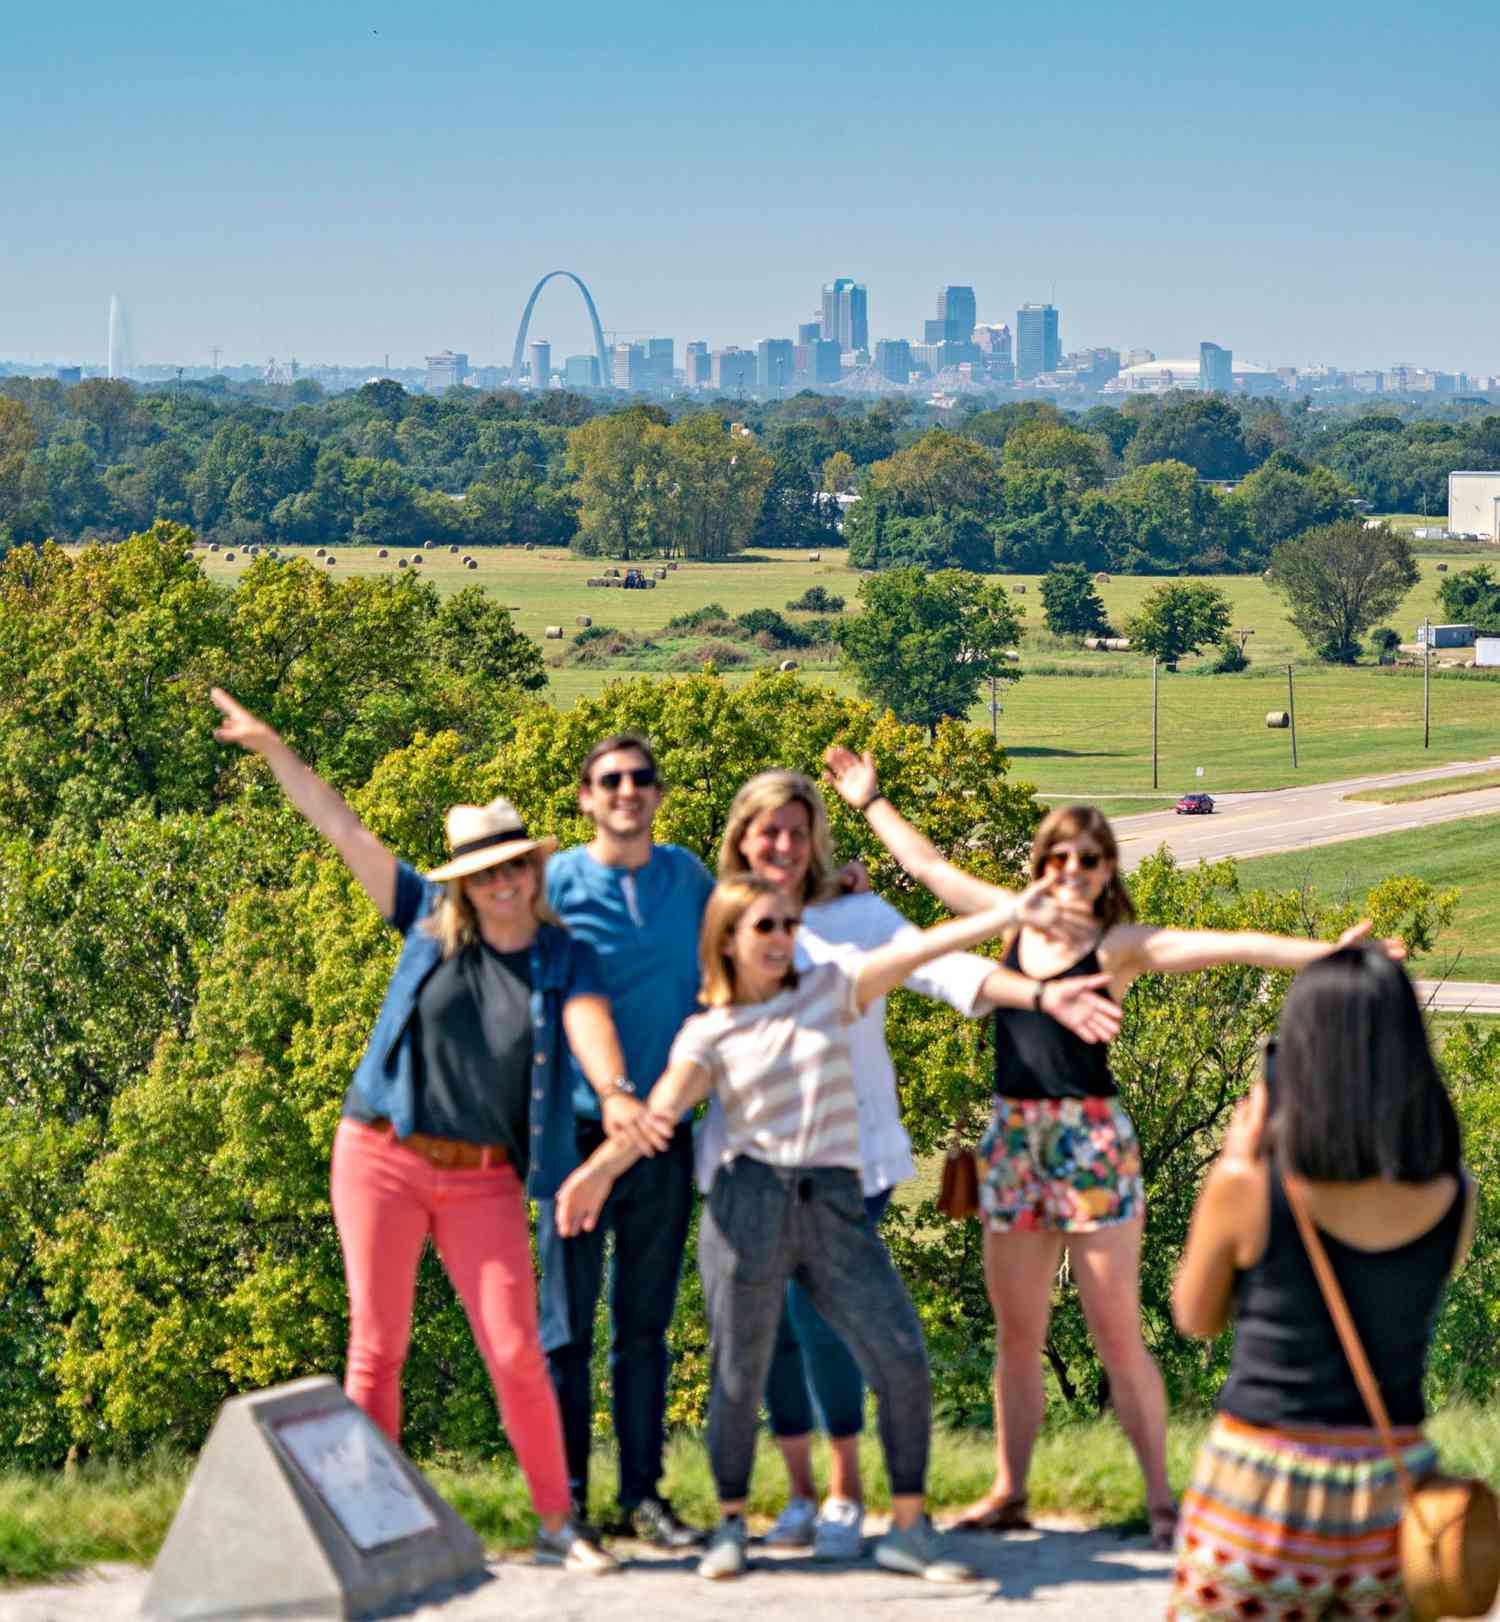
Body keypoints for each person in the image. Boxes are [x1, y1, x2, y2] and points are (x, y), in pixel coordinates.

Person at [822, 746, 1406, 1550]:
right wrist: (869, 801)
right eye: (1057, 856)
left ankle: (1163, 1502)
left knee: (1116, 1329)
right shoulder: (1010, 916)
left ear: (1104, 872)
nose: (1070, 870)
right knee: (1018, 1336)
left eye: (1087, 859)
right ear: (1041, 865)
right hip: (1015, 1139)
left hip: (1093, 1140)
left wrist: (1330, 956)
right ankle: (1009, 1491)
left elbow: (1232, 942)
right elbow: (925, 868)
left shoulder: (1122, 945)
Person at [209, 688, 619, 1574]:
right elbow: (346, 831)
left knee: (514, 1349)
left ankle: (558, 1524)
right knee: (378, 1345)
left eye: (516, 868)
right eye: (486, 872)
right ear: (464, 882)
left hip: (483, 1176)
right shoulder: (427, 926)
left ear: (535, 872)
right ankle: (371, 1527)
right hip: (381, 1156)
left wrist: (617, 1092)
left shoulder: (561, 955)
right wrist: (276, 749)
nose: (503, 883)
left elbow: (588, 1025)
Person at [555, 874, 1028, 1583]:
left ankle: (906, 1528)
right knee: (738, 1376)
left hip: (834, 1203)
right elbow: (660, 1112)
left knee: (899, 1353)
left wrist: (1009, 915)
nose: (781, 939)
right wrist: (598, 1171)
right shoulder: (708, 1029)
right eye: (765, 928)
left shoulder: (831, 988)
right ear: (729, 941)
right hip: (749, 1207)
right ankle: (731, 1526)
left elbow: (916, 952)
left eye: (786, 925)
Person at [709, 769, 1121, 1559]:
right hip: (750, 1153)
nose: (785, 846)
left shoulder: (857, 916)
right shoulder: (720, 914)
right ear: (742, 838)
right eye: (769, 831)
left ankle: (843, 1493)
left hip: (847, 1158)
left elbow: (945, 967)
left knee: (815, 1316)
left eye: (798, 831)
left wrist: (1038, 995)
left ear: (816, 838)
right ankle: (798, 1495)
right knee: (773, 1334)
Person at [1170, 946, 1474, 1620]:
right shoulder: (1455, 1195)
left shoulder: (1248, 1187)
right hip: (1393, 1486)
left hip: (1261, 1481)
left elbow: (1195, 1316)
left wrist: (1232, 1164)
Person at [535, 732, 713, 1548]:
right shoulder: (559, 883)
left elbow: (742, 958)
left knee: (644, 1328)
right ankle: (564, 1506)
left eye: (642, 777)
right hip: (574, 1135)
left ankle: (644, 1495)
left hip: (665, 1133)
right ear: (585, 796)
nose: (627, 790)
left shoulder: (688, 880)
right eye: (611, 779)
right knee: (564, 1331)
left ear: (658, 792)